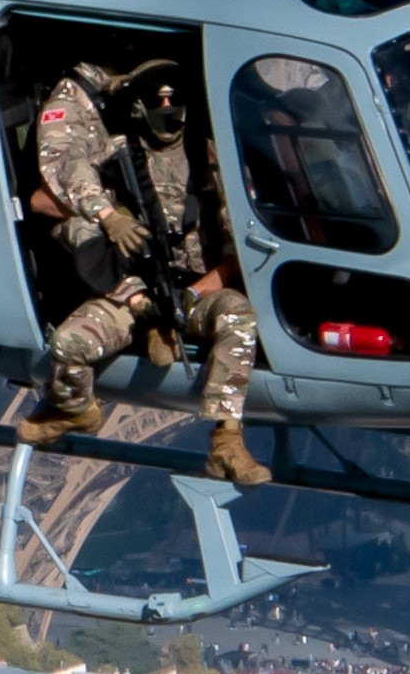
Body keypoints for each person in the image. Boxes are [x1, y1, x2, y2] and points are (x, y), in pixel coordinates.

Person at [16, 56, 265, 486]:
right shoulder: (115, 156)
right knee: (70, 342)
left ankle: (227, 439)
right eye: (157, 106)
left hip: (195, 290)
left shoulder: (211, 160)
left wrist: (193, 295)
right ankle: (76, 409)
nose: (168, 115)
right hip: (128, 289)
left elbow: (237, 254)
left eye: (174, 105)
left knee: (239, 316)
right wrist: (108, 217)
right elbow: (43, 198)